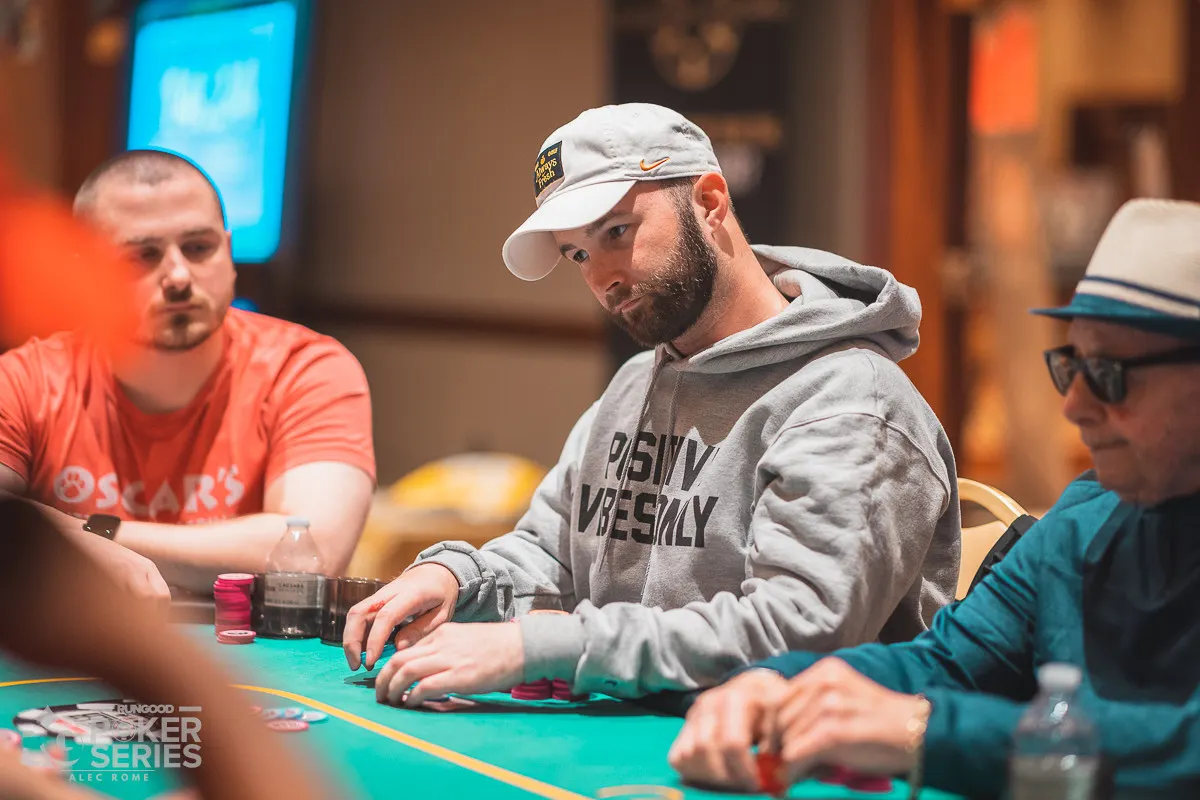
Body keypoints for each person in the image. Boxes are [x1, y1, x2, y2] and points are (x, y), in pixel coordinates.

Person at [344, 103, 960, 705]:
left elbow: (798, 633)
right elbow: (552, 551)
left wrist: (547, 646)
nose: (601, 279)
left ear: (710, 202)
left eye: (617, 232)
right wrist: (456, 578)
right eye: (578, 254)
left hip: (787, 754)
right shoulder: (636, 383)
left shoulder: (851, 401)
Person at [668, 197, 1200, 799]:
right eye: (1072, 366)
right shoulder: (1082, 523)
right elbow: (944, 663)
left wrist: (924, 730)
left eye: (1110, 375)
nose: (1074, 406)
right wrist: (775, 682)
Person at [0, 150, 377, 600]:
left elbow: (311, 553)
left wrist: (87, 535)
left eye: (199, 248)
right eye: (142, 255)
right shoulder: (25, 380)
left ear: (228, 251)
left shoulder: (305, 368)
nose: (178, 276)